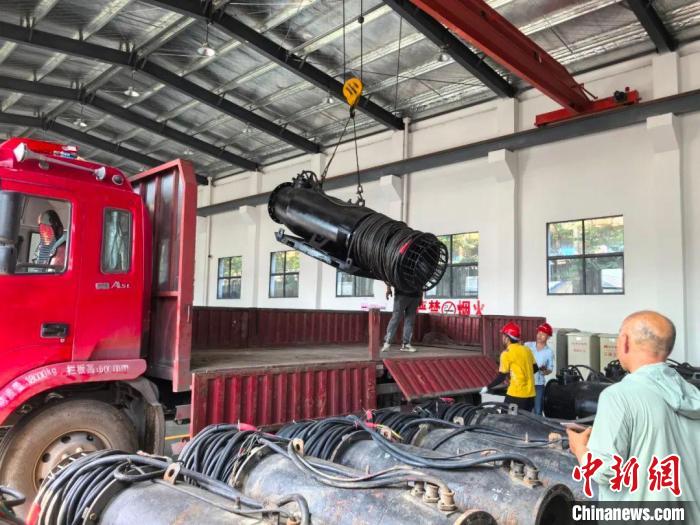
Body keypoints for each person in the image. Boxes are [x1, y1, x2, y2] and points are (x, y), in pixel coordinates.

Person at [567, 311, 699, 521]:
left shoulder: (618, 397)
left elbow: (605, 470)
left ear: (625, 342)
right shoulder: (692, 394)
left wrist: (580, 449)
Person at [480, 322, 537, 411]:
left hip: (516, 394)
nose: (502, 338)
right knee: (525, 419)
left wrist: (487, 387)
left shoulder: (506, 353)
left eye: (503, 336)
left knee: (505, 417)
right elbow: (535, 369)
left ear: (507, 338)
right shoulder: (527, 350)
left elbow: (501, 377)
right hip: (531, 395)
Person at [381, 284, 422, 353]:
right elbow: (390, 277)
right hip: (402, 294)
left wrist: (420, 296)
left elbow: (422, 281)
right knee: (396, 319)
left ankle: (405, 344)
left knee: (409, 321)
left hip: (415, 295)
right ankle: (387, 342)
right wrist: (388, 288)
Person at [524, 322, 554, 415]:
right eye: (539, 333)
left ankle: (537, 424)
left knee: (537, 410)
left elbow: (550, 369)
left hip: (538, 385)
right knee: (525, 409)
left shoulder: (549, 352)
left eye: (543, 334)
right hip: (525, 383)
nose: (540, 336)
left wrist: (544, 371)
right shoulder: (527, 346)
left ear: (548, 337)